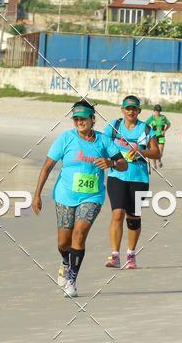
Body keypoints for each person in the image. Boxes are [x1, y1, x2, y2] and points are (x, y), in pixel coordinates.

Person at [32, 100, 127, 297]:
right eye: (76, 119)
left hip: (92, 196)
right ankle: (65, 262)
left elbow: (123, 164)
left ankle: (72, 281)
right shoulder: (66, 139)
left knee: (79, 233)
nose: (79, 122)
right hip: (65, 195)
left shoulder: (103, 141)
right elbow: (47, 166)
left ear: (93, 119)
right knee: (63, 243)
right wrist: (37, 195)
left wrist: (111, 163)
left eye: (83, 118)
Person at [103, 94, 161, 270]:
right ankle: (115, 256)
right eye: (128, 108)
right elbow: (102, 146)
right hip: (117, 176)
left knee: (133, 218)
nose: (131, 112)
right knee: (117, 214)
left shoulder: (145, 129)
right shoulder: (114, 127)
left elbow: (156, 153)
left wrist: (141, 152)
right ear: (122, 110)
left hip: (139, 178)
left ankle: (131, 254)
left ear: (139, 111)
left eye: (134, 109)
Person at [145, 104, 171, 168]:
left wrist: (164, 130)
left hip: (161, 136)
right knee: (154, 151)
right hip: (153, 136)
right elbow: (145, 124)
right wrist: (149, 131)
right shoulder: (151, 118)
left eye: (159, 111)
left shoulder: (163, 117)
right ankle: (154, 164)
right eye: (156, 111)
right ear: (154, 111)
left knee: (160, 151)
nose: (158, 112)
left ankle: (159, 160)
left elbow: (168, 124)